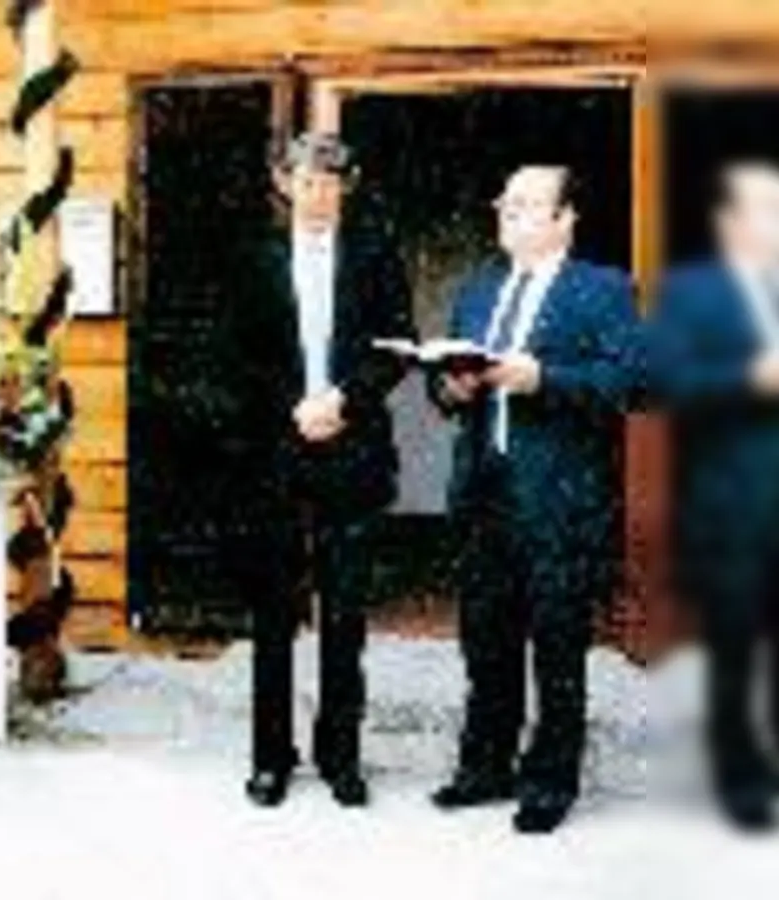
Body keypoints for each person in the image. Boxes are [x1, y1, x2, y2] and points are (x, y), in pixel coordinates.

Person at [429, 165, 637, 834]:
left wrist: (542, 377)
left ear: (564, 217)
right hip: (484, 490)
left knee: (556, 643)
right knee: (485, 640)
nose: (507, 212)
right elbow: (447, 390)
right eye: (504, 200)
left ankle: (550, 781)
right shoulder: (479, 288)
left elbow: (631, 382)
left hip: (559, 497)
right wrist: (451, 391)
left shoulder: (603, 290)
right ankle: (484, 767)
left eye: (524, 203)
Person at [223, 134, 416, 809]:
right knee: (272, 615)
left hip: (352, 449)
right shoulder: (252, 259)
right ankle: (271, 757)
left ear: (346, 186)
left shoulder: (374, 254)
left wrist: (343, 400)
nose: (319, 194)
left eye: (332, 182)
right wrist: (294, 408)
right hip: (274, 456)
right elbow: (237, 358)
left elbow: (396, 347)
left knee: (345, 611)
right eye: (307, 181)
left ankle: (342, 756)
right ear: (283, 183)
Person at [651, 160, 779, 832]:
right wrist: (749, 377)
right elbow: (671, 382)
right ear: (731, 221)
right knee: (734, 653)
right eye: (764, 209)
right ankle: (741, 778)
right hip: (732, 507)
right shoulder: (693, 292)